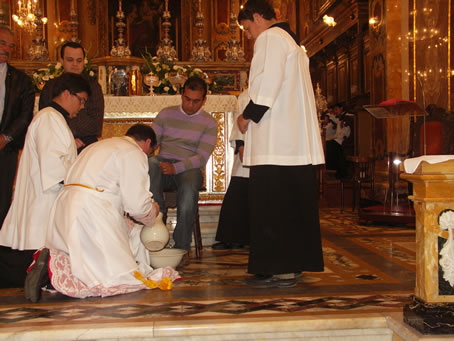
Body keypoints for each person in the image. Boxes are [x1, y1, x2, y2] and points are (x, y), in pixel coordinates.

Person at [24, 124, 179, 302]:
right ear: (148, 143)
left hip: (64, 205)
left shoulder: (98, 146)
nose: (147, 156)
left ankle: (49, 271)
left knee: (79, 258)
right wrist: (153, 212)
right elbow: (136, 205)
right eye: (150, 152)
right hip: (92, 209)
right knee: (115, 277)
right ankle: (124, 268)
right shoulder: (133, 152)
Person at [237, 0, 325, 288]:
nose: (249, 35)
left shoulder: (271, 38)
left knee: (272, 206)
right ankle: (293, 265)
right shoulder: (293, 43)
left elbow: (266, 83)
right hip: (293, 142)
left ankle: (280, 267)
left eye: (248, 27)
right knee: (292, 204)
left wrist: (248, 116)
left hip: (275, 141)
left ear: (259, 18)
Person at [0, 72, 90, 288]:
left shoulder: (54, 118)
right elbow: (53, 167)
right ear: (67, 94)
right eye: (82, 100)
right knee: (31, 253)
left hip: (48, 195)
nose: (83, 106)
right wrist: (81, 179)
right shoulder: (49, 118)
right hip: (45, 197)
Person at [148, 76, 217, 255]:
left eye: (196, 101)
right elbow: (151, 145)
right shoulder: (165, 114)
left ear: (204, 100)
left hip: (189, 168)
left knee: (188, 194)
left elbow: (201, 157)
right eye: (187, 99)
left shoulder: (209, 122)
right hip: (163, 163)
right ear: (181, 94)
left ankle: (181, 247)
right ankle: (158, 221)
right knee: (151, 162)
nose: (190, 105)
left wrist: (176, 168)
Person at [39, 41, 104, 153]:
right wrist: (68, 138)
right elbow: (46, 120)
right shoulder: (50, 87)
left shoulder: (93, 86)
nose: (75, 64)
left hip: (86, 144)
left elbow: (95, 125)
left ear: (84, 62)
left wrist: (67, 131)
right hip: (56, 144)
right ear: (61, 61)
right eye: (70, 60)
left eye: (79, 61)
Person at [0, 26, 35, 229]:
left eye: (11, 46)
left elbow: (25, 115)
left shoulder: (21, 80)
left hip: (7, 148)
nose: (7, 49)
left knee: (3, 198)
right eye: (3, 43)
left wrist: (6, 138)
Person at [212, 90, 250, 250]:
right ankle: (230, 237)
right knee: (236, 194)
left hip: (269, 150)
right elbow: (239, 120)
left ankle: (251, 237)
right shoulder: (246, 95)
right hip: (248, 146)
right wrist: (240, 145)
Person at [325, 103, 351, 179]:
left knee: (330, 146)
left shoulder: (347, 116)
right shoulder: (340, 117)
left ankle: (332, 171)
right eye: (334, 110)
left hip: (342, 140)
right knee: (327, 144)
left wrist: (345, 123)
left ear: (341, 108)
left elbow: (345, 131)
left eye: (336, 109)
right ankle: (330, 170)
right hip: (337, 139)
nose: (335, 111)